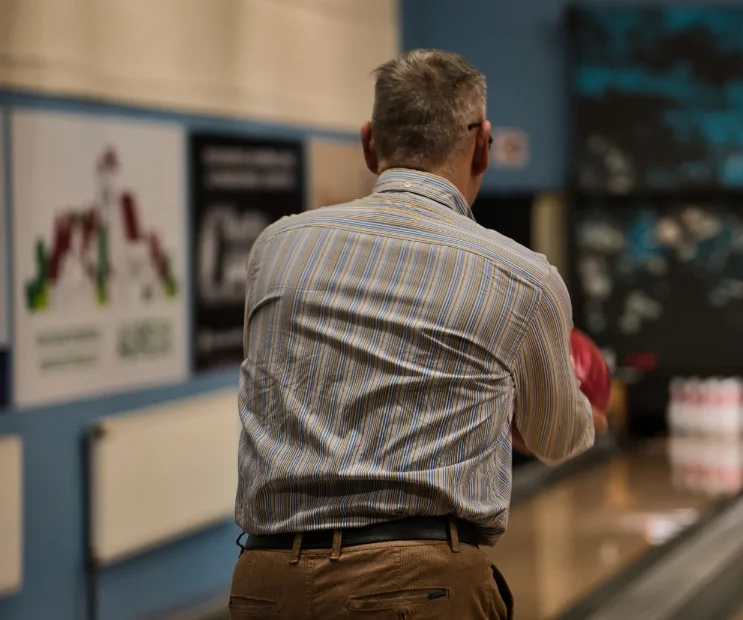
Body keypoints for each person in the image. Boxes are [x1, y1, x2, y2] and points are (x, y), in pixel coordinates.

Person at [229, 49, 603, 620]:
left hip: (266, 585)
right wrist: (582, 418)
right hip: (419, 585)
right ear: (482, 144)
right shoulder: (525, 277)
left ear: (369, 142)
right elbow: (552, 435)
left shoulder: (276, 249)